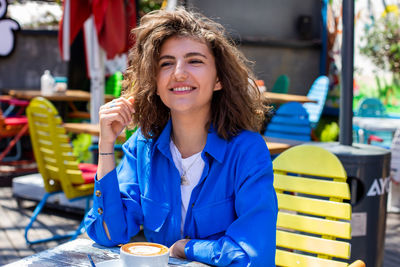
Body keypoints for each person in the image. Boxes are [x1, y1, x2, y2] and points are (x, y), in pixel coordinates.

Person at [84, 7, 277, 266]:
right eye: (166, 63)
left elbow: (254, 256)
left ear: (219, 78)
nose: (178, 73)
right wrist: (106, 146)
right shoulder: (143, 146)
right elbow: (108, 233)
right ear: (155, 80)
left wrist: (188, 248)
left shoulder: (247, 152)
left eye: (194, 61)